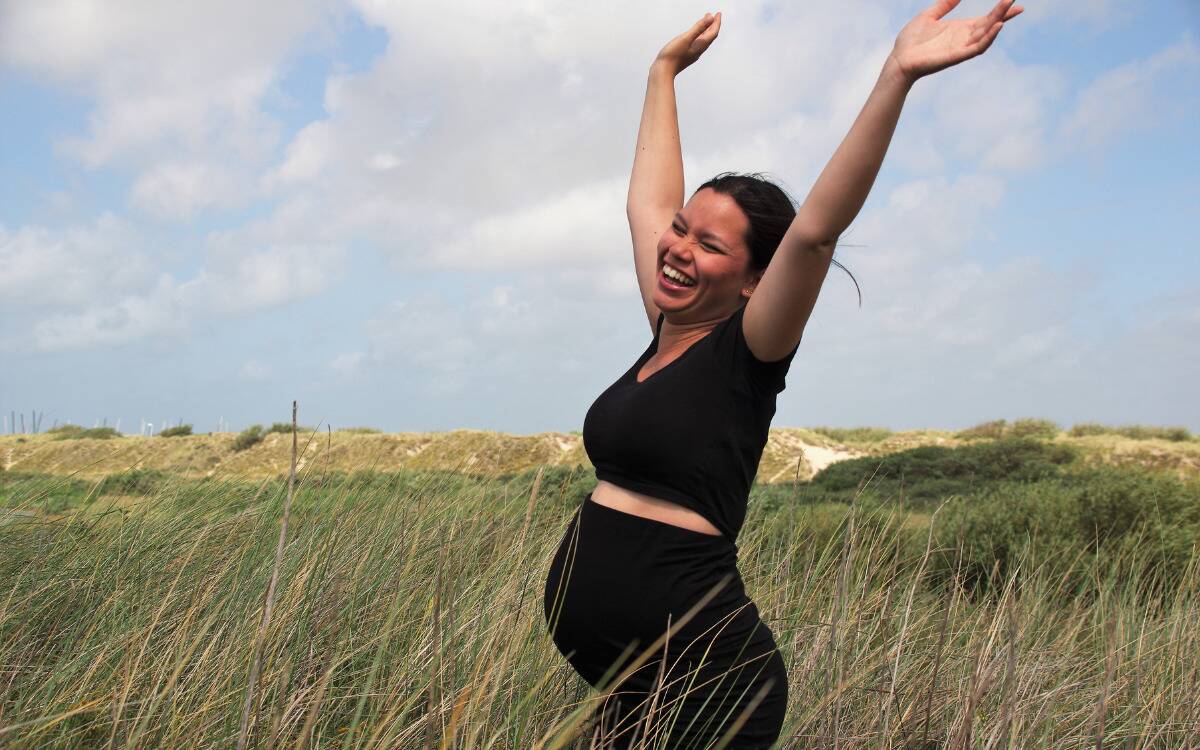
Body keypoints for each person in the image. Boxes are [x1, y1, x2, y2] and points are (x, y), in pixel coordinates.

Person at [544, 1, 1023, 746]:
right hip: (629, 683)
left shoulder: (748, 352)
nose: (677, 248)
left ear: (751, 282)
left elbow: (816, 230)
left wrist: (896, 75)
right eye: (681, 230)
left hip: (715, 686)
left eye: (708, 244)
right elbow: (646, 203)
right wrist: (662, 74)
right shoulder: (666, 329)